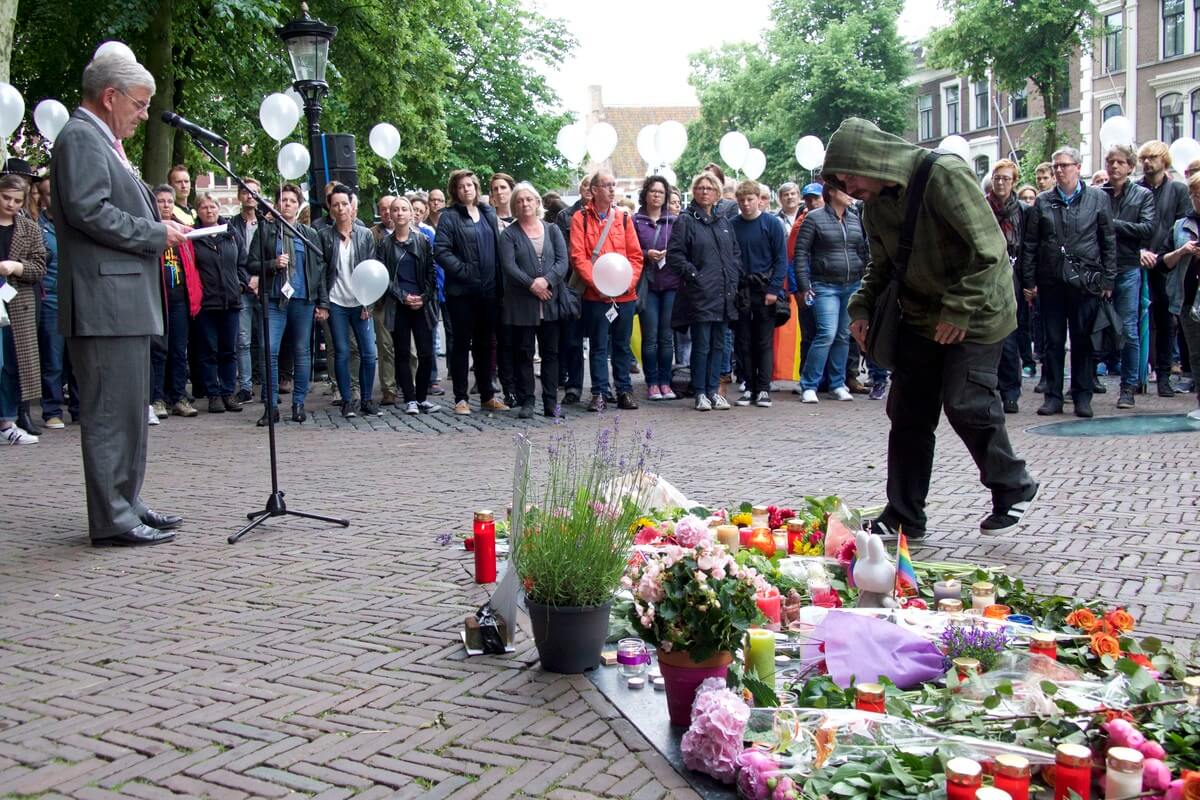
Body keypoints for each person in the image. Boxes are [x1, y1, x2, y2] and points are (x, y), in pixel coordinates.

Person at [825, 116, 1037, 539]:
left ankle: (1013, 485)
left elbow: (991, 251)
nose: (848, 188)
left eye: (850, 175)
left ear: (873, 159)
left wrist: (958, 310)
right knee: (907, 413)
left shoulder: (944, 174)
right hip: (922, 315)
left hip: (978, 310)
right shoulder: (874, 205)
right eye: (839, 181)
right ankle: (903, 515)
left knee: (965, 401)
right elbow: (882, 267)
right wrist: (861, 307)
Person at [51, 53, 191, 545]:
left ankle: (127, 501)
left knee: (131, 409)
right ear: (110, 97)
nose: (144, 113)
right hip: (103, 301)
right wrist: (156, 232)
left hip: (120, 299)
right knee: (111, 413)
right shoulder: (80, 137)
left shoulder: (100, 140)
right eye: (140, 103)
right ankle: (112, 517)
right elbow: (90, 211)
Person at [1022, 147, 1117, 418]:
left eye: (1064, 165)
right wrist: (1029, 280)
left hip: (1085, 282)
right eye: (1056, 166)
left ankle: (1082, 395)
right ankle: (1052, 395)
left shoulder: (1098, 199)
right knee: (1052, 341)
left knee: (1083, 339)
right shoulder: (1042, 202)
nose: (1059, 170)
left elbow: (1108, 240)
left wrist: (1109, 279)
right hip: (1051, 281)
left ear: (1077, 166)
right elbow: (1030, 243)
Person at [248, 182, 326, 425]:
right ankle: (270, 406)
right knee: (268, 350)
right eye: (283, 200)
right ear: (277, 203)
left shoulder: (309, 233)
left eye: (292, 201)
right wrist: (272, 263)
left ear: (298, 204)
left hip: (303, 300)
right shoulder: (266, 230)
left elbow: (319, 269)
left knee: (302, 352)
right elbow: (251, 264)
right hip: (274, 298)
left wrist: (322, 303)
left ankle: (298, 403)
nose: (288, 204)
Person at [570, 170, 644, 412]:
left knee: (622, 345)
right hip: (596, 296)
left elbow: (635, 256)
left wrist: (627, 284)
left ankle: (624, 391)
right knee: (599, 345)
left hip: (625, 296)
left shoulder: (623, 218)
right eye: (606, 185)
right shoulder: (580, 218)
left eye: (614, 185)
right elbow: (578, 257)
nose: (612, 189)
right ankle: (600, 392)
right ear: (594, 190)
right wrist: (599, 285)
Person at [435, 169, 507, 415]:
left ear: (476, 188)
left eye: (470, 185)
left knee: (486, 344)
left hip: (489, 292)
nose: (466, 189)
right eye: (461, 186)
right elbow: (441, 251)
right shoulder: (449, 217)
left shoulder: (487, 212)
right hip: (461, 293)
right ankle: (460, 398)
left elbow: (498, 249)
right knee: (461, 344)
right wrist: (464, 271)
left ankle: (488, 395)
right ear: (454, 191)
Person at [669, 171, 741, 412]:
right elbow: (675, 255)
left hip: (724, 294)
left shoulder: (723, 222)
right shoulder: (686, 221)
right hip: (700, 294)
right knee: (702, 345)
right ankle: (700, 391)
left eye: (709, 188)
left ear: (717, 193)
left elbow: (735, 254)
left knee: (720, 346)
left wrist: (733, 275)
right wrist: (694, 276)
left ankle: (714, 390)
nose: (704, 192)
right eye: (699, 188)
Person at [793, 181, 868, 404]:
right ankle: (809, 384)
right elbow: (800, 254)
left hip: (851, 284)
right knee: (826, 333)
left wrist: (864, 278)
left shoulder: (855, 218)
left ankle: (837, 383)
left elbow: (862, 251)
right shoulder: (814, 218)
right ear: (832, 193)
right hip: (824, 285)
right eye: (845, 190)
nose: (851, 194)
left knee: (844, 335)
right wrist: (805, 285)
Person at [499, 183, 568, 418]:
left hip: (550, 301)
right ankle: (527, 401)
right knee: (524, 353)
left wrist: (546, 281)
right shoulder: (509, 234)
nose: (524, 204)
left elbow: (562, 262)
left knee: (551, 353)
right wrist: (532, 284)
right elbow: (509, 266)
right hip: (521, 303)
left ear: (537, 203)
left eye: (529, 199)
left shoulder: (552, 230)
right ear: (514, 206)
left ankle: (550, 403)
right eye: (519, 201)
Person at [1101, 144, 1155, 410]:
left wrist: (1112, 225)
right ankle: (1085, 383)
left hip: (1128, 268)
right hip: (1099, 269)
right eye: (1110, 162)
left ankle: (1128, 388)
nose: (1114, 167)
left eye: (1120, 162)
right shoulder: (1098, 194)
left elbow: (1147, 228)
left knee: (1129, 329)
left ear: (1130, 167)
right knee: (1092, 326)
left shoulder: (1142, 195)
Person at [319, 183, 379, 418]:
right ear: (330, 209)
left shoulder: (365, 235)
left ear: (351, 205)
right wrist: (323, 304)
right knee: (342, 352)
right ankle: (346, 400)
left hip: (360, 302)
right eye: (336, 205)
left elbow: (372, 270)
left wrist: (369, 302)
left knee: (368, 352)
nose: (341, 208)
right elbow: (321, 274)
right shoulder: (324, 236)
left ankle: (366, 399)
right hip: (336, 303)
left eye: (344, 203)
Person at [1139, 140, 1191, 397]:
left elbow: (1181, 225)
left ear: (1164, 160)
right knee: (1136, 321)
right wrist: (1141, 251)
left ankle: (1163, 376)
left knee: (1165, 320)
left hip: (1167, 263)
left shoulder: (1179, 191)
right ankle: (1138, 374)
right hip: (1138, 261)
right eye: (1144, 158)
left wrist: (1163, 254)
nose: (1148, 162)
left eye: (1153, 158)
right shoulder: (1134, 189)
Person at [379, 195, 439, 414]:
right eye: (396, 210)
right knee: (402, 353)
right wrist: (403, 296)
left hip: (422, 304)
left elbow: (432, 272)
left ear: (412, 213)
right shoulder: (385, 244)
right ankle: (410, 398)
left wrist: (423, 296)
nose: (400, 213)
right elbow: (383, 277)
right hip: (398, 305)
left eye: (404, 209)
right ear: (390, 215)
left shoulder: (423, 240)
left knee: (425, 353)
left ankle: (422, 397)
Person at [730, 179, 786, 407]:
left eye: (750, 199)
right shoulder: (732, 224)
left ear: (759, 200)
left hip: (764, 290)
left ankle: (763, 388)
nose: (745, 204)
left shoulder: (771, 224)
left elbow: (781, 259)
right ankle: (749, 386)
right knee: (743, 341)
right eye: (741, 200)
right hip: (741, 290)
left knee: (763, 341)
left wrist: (774, 289)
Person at [190, 193, 247, 414]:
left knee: (228, 350)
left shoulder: (231, 234)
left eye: (212, 206)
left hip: (231, 300)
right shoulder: (194, 236)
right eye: (204, 207)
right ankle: (213, 394)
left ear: (218, 208)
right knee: (208, 350)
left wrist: (241, 285)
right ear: (198, 211)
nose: (209, 211)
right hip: (207, 303)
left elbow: (243, 261)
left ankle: (228, 392)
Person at [0, 174, 47, 444]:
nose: (11, 204)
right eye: (6, 198)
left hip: (17, 302)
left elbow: (40, 265)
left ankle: (8, 421)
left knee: (12, 363)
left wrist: (17, 266)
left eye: (17, 200)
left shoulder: (29, 228)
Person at [987, 160, 1036, 414]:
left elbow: (1029, 247)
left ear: (1014, 181)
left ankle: (1010, 391)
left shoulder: (1024, 212)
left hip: (1013, 277)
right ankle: (988, 387)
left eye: (1006, 178)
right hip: (987, 277)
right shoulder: (983, 207)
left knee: (1010, 335)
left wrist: (1029, 282)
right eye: (997, 178)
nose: (1001, 183)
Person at [150, 185, 202, 419]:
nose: (166, 205)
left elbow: (191, 266)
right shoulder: (150, 231)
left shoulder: (182, 231)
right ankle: (157, 398)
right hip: (157, 297)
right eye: (161, 201)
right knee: (159, 350)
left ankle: (178, 396)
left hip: (180, 297)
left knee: (179, 350)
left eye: (169, 201)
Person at [633, 175, 678, 401]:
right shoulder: (635, 221)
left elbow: (682, 248)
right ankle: (651, 382)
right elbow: (629, 249)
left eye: (661, 192)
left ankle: (665, 381)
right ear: (645, 194)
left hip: (670, 284)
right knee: (650, 337)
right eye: (653, 191)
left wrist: (671, 254)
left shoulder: (675, 220)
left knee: (666, 336)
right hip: (647, 285)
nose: (656, 195)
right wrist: (645, 254)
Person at [35, 175, 75, 429]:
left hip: (76, 295)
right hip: (50, 296)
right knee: (53, 356)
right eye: (49, 193)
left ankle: (81, 408)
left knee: (78, 356)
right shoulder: (38, 226)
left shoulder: (72, 223)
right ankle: (52, 409)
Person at [1162, 172, 1200, 420]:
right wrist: (1182, 251)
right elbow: (1163, 262)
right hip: (1188, 300)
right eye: (1194, 194)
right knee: (1196, 355)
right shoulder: (1180, 225)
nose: (1197, 199)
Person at [555, 175, 590, 404]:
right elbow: (562, 249)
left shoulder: (612, 215)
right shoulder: (565, 216)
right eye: (585, 185)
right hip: (573, 283)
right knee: (573, 338)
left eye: (592, 186)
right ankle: (573, 386)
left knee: (600, 340)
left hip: (603, 284)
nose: (589, 189)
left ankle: (602, 387)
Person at [228, 178, 261, 403]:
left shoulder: (268, 223)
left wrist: (260, 280)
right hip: (243, 287)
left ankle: (269, 386)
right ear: (240, 196)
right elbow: (232, 258)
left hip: (265, 287)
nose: (250, 196)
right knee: (243, 339)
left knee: (267, 340)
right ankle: (246, 386)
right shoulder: (231, 225)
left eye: (254, 192)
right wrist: (247, 280)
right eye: (246, 192)